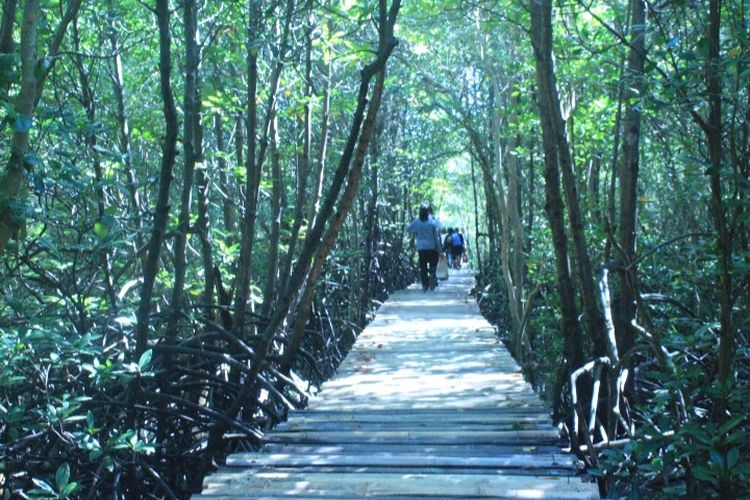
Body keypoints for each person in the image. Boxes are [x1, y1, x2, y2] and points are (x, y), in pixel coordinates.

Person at [408, 206, 442, 291]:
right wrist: (439, 248)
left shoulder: (417, 222)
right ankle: (432, 275)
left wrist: (415, 231)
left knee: (423, 266)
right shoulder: (432, 223)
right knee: (433, 264)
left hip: (421, 247)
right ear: (427, 214)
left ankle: (425, 285)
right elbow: (436, 237)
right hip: (431, 247)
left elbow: (408, 228)